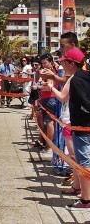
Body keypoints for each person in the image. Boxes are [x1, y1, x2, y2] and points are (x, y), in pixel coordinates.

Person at [60, 48, 90, 211]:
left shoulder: (77, 79)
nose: (63, 65)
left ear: (72, 64)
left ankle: (86, 200)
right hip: (84, 127)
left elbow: (85, 104)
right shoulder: (86, 76)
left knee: (84, 164)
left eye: (65, 62)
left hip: (82, 127)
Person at [38, 53, 58, 156]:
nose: (44, 65)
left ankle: (49, 147)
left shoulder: (50, 72)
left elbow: (48, 86)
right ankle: (49, 146)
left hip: (50, 98)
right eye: (42, 63)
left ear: (50, 62)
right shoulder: (49, 71)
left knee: (49, 123)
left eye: (45, 63)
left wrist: (40, 86)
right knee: (48, 123)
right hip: (47, 98)